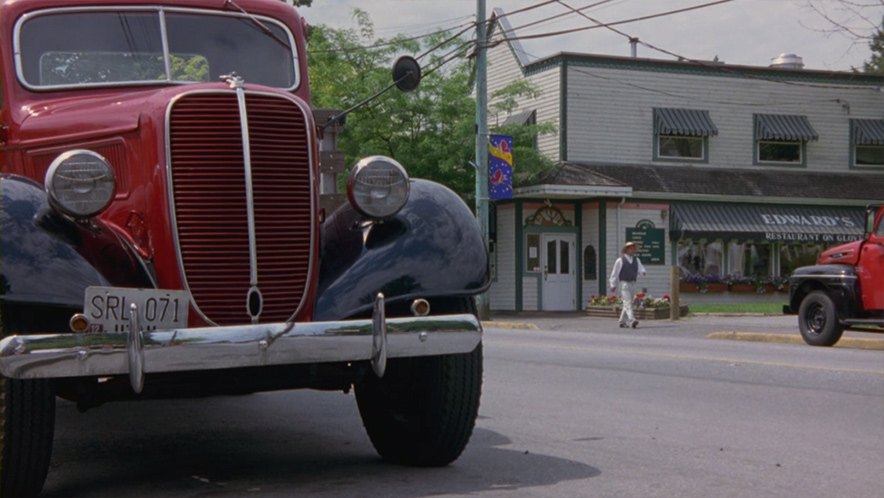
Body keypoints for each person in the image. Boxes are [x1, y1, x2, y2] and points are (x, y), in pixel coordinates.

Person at [609, 241, 647, 328]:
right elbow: (614, 273)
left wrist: (643, 272)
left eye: (633, 248)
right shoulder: (620, 260)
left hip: (633, 283)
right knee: (627, 302)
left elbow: (641, 268)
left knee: (628, 303)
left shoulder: (636, 260)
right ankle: (632, 319)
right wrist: (612, 284)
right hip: (624, 283)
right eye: (630, 248)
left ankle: (622, 321)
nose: (632, 250)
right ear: (626, 249)